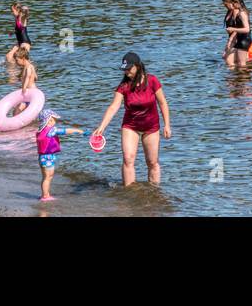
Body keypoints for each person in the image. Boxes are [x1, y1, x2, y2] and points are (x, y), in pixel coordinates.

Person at [93, 52, 172, 186]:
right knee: (128, 159)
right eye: (124, 69)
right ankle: (129, 192)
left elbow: (163, 103)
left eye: (129, 68)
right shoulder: (123, 86)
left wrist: (167, 125)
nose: (126, 71)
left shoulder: (152, 80)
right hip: (131, 126)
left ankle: (155, 193)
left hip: (151, 127)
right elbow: (113, 107)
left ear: (138, 66)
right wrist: (102, 127)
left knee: (152, 162)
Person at [36, 108, 86, 201]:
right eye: (55, 119)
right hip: (48, 157)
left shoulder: (40, 131)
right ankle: (45, 196)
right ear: (50, 120)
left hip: (42, 157)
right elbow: (65, 131)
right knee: (48, 177)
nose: (56, 121)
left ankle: (45, 194)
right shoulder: (51, 130)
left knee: (45, 177)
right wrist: (79, 131)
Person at [223, 0, 252, 67]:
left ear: (237, 2)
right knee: (237, 63)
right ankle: (236, 77)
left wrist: (232, 30)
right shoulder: (239, 12)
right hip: (239, 40)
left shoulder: (241, 13)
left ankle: (243, 77)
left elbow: (247, 29)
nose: (233, 5)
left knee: (241, 64)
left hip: (242, 40)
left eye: (233, 3)